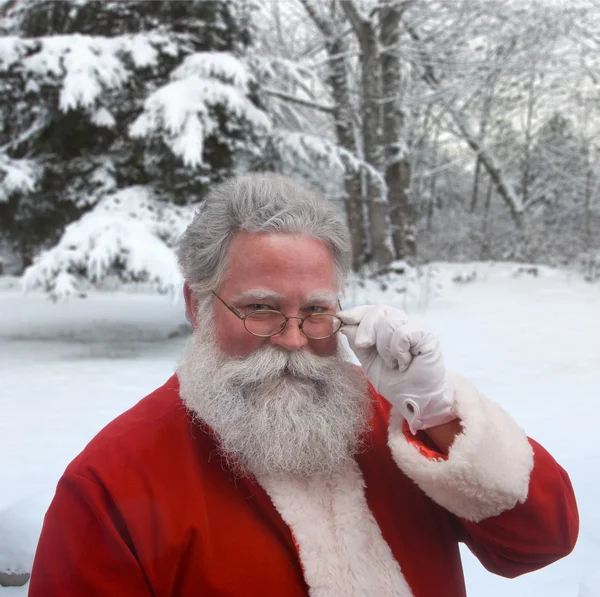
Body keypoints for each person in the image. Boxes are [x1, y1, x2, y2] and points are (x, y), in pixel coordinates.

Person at [29, 173, 578, 597]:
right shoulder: (110, 482)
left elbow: (540, 541)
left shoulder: (398, 419)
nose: (293, 340)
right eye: (261, 309)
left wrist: (434, 408)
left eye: (316, 310)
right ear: (197, 305)